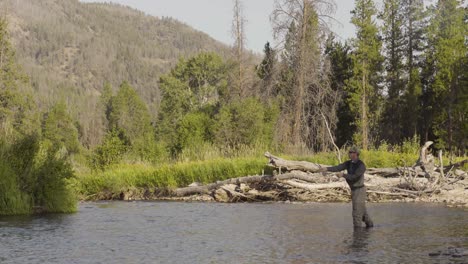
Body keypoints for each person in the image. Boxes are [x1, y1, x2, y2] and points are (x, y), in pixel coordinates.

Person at [318, 146, 374, 228]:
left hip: (360, 191)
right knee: (363, 213)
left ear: (356, 154)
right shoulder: (348, 163)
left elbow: (354, 176)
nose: (349, 154)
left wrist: (343, 175)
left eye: (351, 153)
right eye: (349, 152)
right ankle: (370, 228)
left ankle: (357, 236)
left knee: (356, 214)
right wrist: (326, 169)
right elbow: (338, 167)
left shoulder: (361, 165)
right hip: (354, 190)